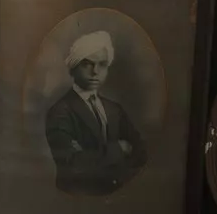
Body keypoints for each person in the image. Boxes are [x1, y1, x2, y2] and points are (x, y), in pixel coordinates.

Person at [44, 30, 146, 197]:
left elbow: (141, 152)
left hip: (116, 196)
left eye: (102, 64)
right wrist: (120, 148)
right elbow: (73, 165)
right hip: (76, 200)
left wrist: (91, 157)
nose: (95, 72)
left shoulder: (114, 109)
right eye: (87, 64)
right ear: (73, 68)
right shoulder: (60, 112)